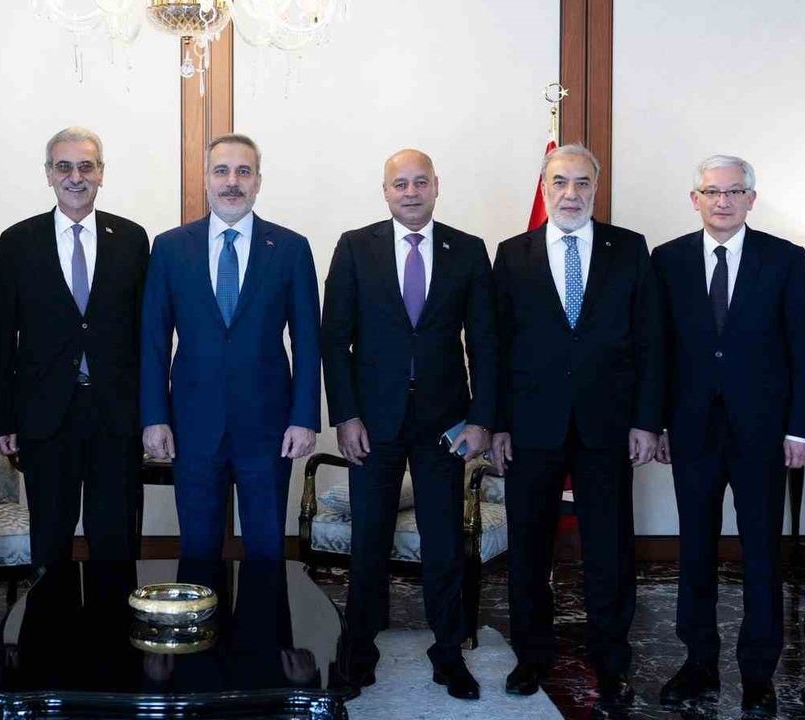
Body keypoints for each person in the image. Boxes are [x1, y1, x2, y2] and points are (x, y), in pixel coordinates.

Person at [491, 143, 662, 712]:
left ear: (596, 187)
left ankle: (611, 662)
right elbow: (494, 346)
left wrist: (646, 420)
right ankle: (531, 656)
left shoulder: (629, 249)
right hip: (530, 425)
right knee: (528, 546)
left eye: (582, 182)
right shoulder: (511, 254)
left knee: (609, 549)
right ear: (544, 187)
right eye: (560, 182)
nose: (571, 193)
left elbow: (650, 342)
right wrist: (497, 424)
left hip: (607, 424)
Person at [319, 149, 495, 700]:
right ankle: (358, 653)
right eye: (400, 184)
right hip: (373, 421)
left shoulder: (468, 250)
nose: (411, 192)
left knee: (444, 543)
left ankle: (449, 654)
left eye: (421, 182)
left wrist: (482, 418)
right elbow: (334, 340)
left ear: (436, 186)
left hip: (445, 422)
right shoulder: (355, 247)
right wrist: (345, 416)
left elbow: (485, 342)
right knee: (368, 540)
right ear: (385, 191)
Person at [652, 155, 805, 718]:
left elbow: (804, 350)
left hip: (763, 433)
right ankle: (697, 664)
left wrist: (799, 428)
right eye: (711, 191)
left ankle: (758, 674)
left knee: (761, 552)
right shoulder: (668, 259)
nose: (722, 201)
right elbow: (659, 351)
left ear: (751, 198)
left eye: (733, 191)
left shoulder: (785, 258)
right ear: (694, 199)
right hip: (692, 430)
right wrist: (658, 423)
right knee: (695, 550)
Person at [140, 133, 321, 560]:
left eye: (243, 171)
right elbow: (154, 340)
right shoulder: (170, 248)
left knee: (266, 551)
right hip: (193, 426)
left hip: (269, 427)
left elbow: (308, 340)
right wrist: (154, 417)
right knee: (197, 551)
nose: (232, 182)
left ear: (258, 180)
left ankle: (264, 610)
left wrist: (304, 418)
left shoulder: (291, 249)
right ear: (206, 178)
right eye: (221, 171)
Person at [0, 127, 150, 565]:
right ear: (48, 173)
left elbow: (147, 335)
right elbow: (2, 338)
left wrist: (152, 413)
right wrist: (4, 417)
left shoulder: (132, 239)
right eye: (64, 167)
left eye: (85, 166)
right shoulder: (17, 242)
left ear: (101, 173)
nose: (75, 177)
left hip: (116, 415)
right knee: (50, 538)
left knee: (115, 538)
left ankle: (112, 614)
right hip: (45, 416)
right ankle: (51, 614)